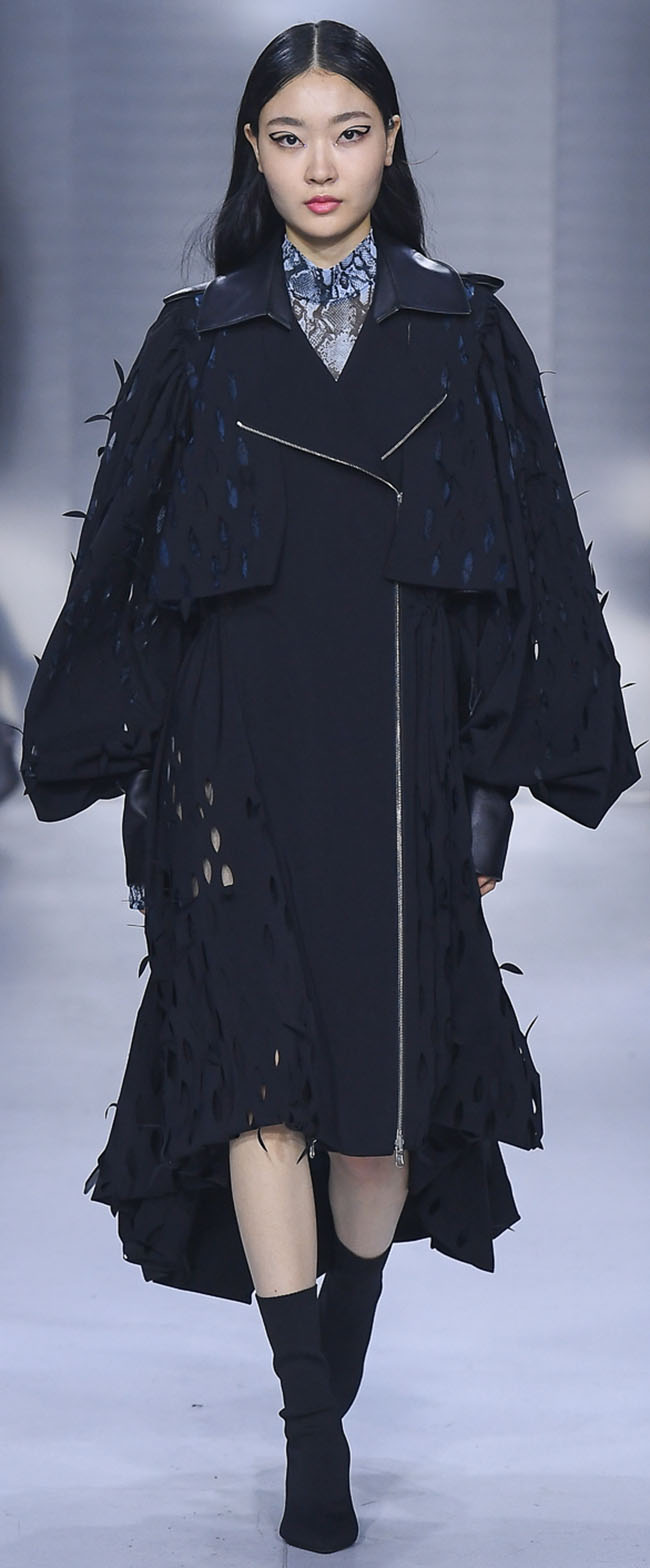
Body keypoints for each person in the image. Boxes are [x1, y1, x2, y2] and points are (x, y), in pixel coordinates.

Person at [20, 18, 641, 1556]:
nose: (319, 163)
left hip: (398, 766)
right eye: (289, 133)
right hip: (229, 760)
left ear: (391, 141)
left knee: (374, 1126)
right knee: (257, 1083)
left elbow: (529, 557)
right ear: (251, 149)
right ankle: (311, 1429)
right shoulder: (200, 339)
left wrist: (497, 783)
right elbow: (124, 570)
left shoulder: (464, 335)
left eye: (347, 131)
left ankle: (332, 1373)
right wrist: (122, 768)